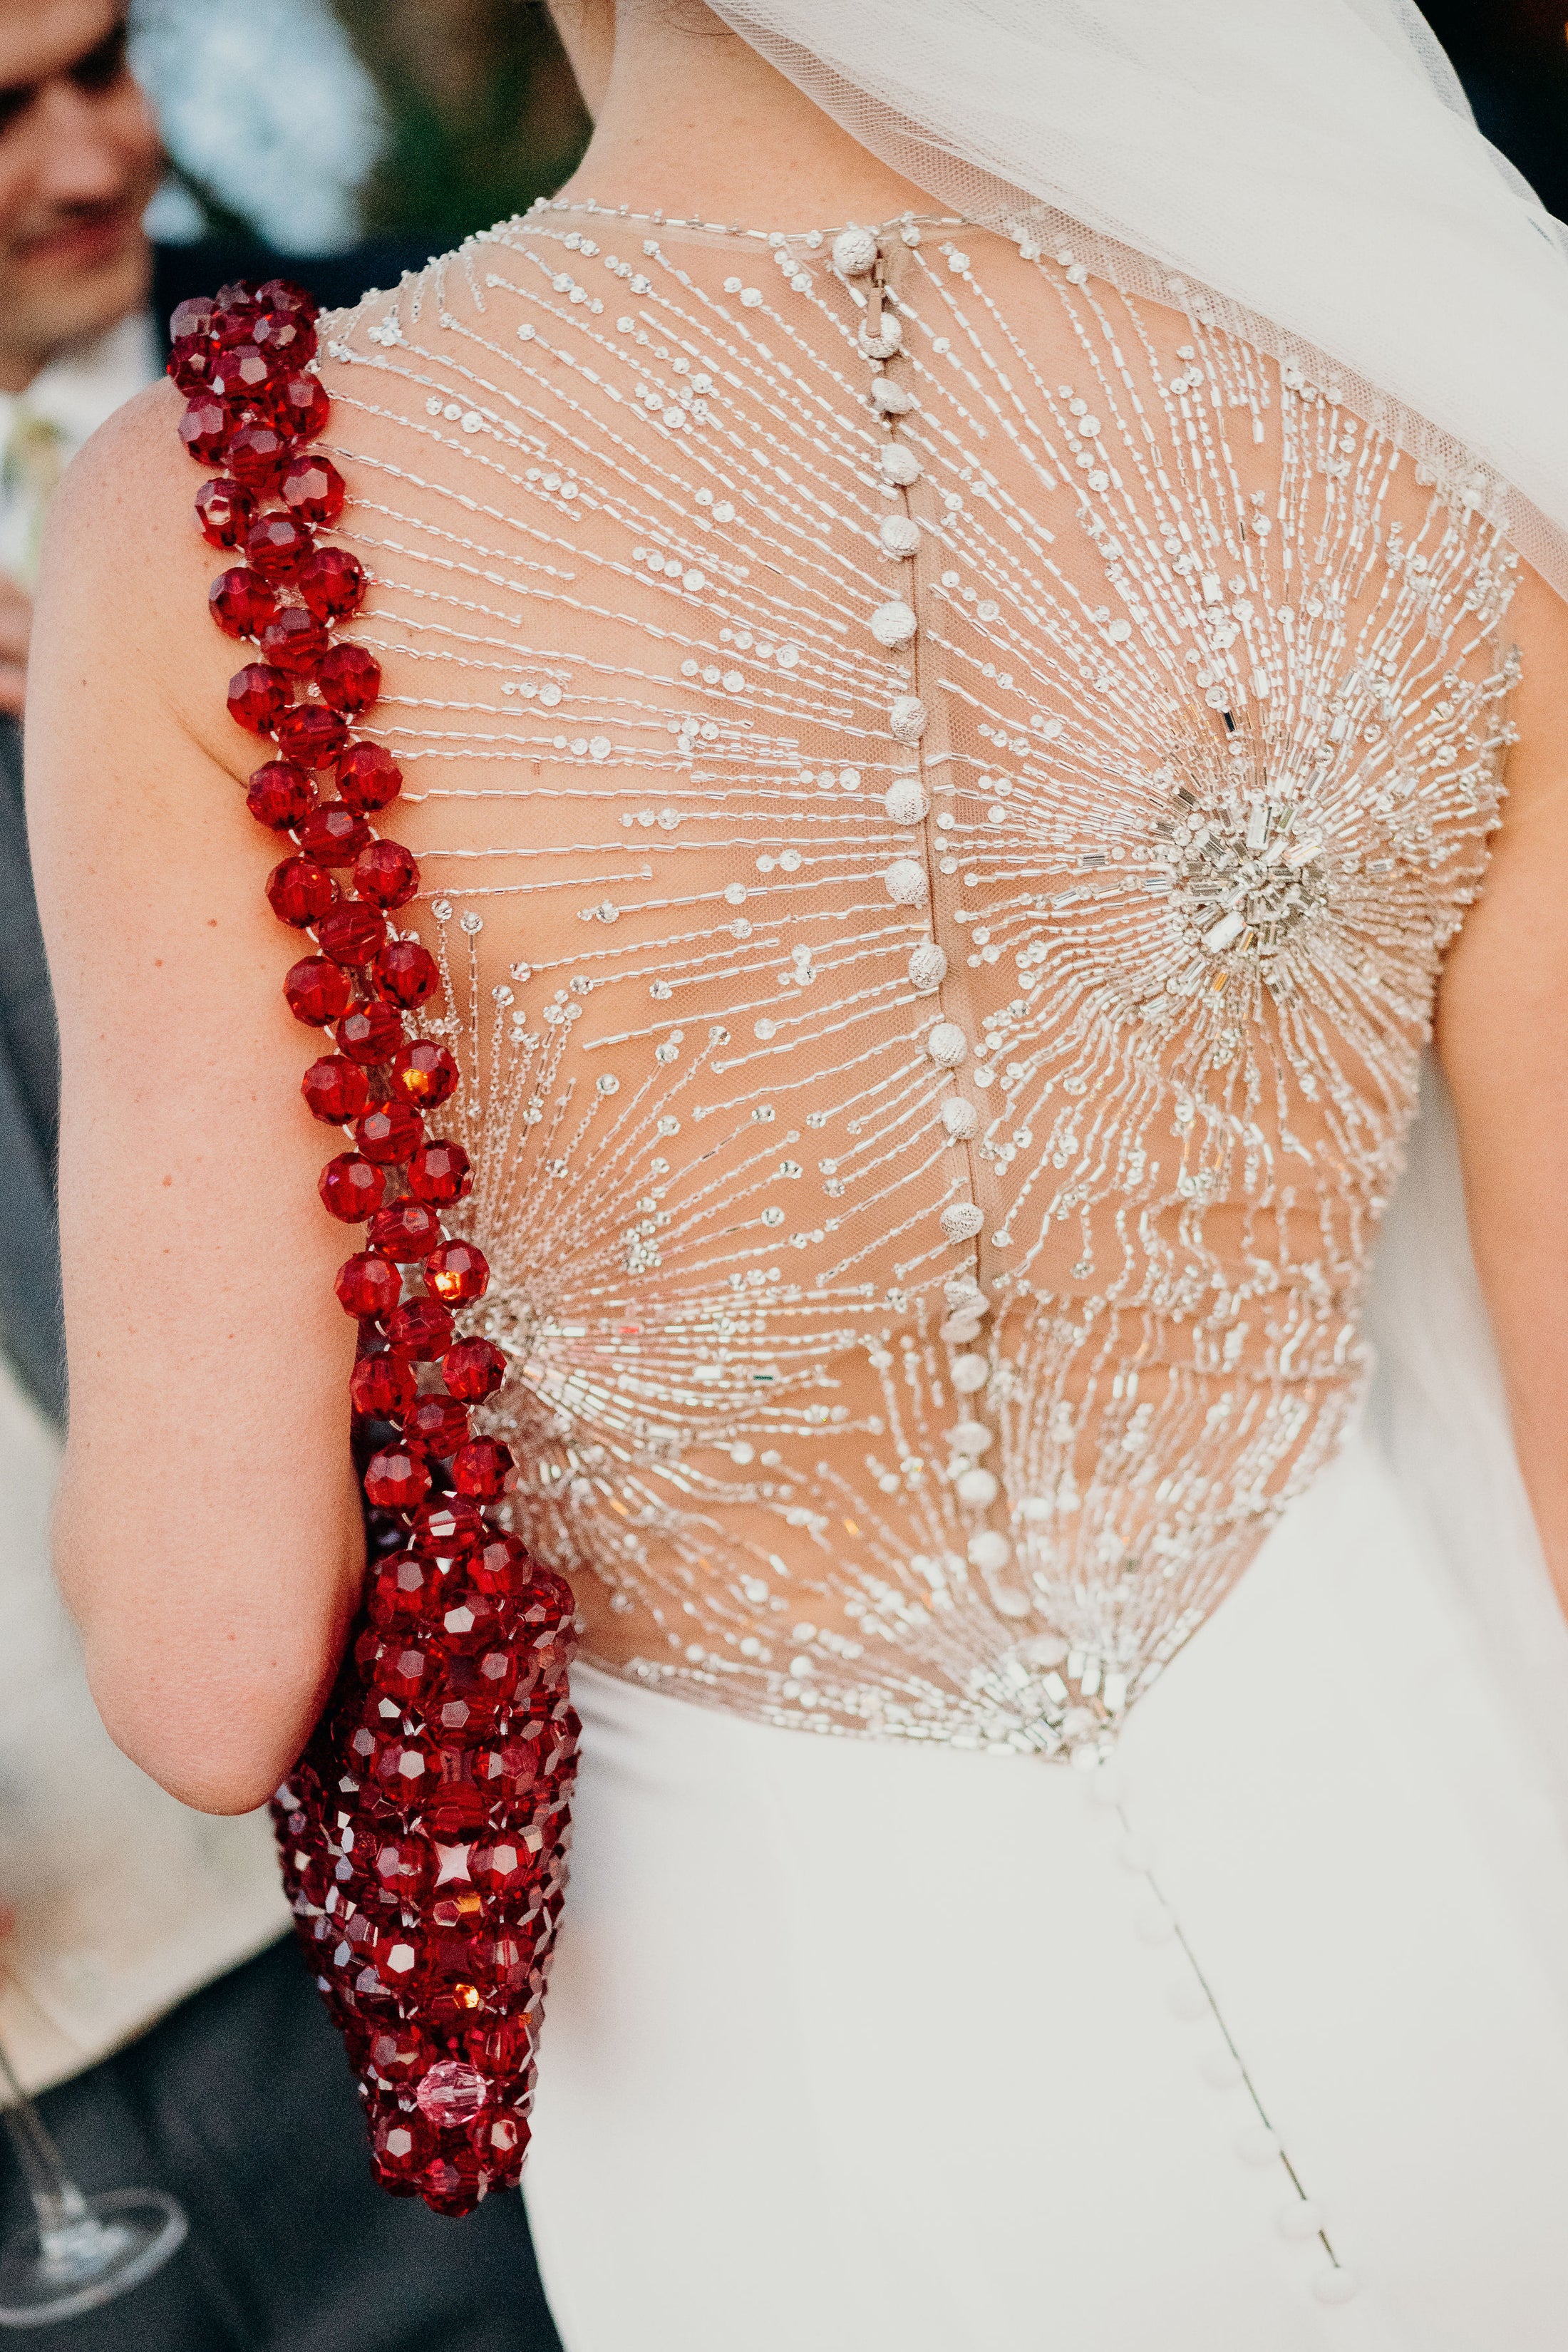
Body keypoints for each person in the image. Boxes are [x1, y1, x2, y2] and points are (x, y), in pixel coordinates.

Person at [25, 0, 1568, 2342]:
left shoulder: (217, 516)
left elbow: (211, 1661)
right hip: (1466, 1918)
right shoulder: (1407, 344)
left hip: (804, 2093)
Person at [0, 5, 559, 2344]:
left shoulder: (437, 357)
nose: (81, 151)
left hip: (524, 1753)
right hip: (90, 1899)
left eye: (101, 65)